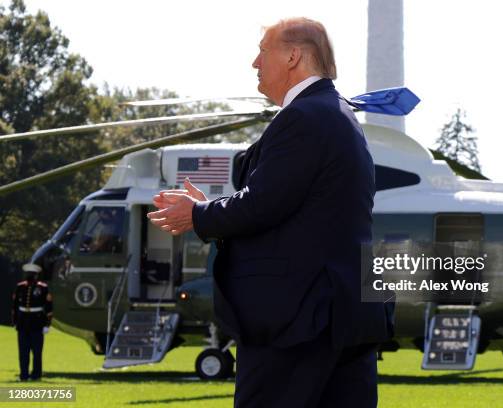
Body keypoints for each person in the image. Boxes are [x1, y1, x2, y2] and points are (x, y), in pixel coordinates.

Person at [148, 17, 390, 407]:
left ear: (293, 55)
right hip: (342, 315)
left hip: (299, 320)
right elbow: (290, 204)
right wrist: (213, 206)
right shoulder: (337, 116)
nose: (254, 63)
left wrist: (197, 215)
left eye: (263, 50)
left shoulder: (304, 118)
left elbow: (263, 205)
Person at [11, 264, 53, 381]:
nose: (30, 276)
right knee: (23, 351)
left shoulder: (43, 288)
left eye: (32, 274)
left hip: (37, 321)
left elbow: (49, 307)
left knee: (37, 351)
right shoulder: (20, 287)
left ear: (36, 275)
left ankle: (36, 375)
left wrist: (47, 324)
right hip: (23, 322)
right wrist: (15, 322)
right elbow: (15, 306)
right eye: (29, 273)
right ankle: (23, 375)